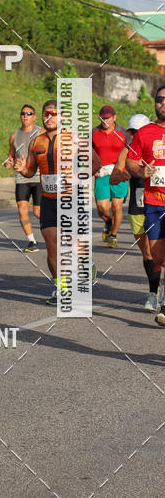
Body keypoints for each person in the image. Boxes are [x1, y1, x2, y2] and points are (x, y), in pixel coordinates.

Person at [15, 98, 101, 304]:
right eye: (46, 114)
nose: (49, 117)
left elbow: (96, 163)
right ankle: (62, 288)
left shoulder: (75, 139)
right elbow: (30, 171)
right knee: (52, 245)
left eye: (53, 113)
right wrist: (22, 169)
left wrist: (78, 177)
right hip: (48, 199)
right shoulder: (37, 141)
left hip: (71, 199)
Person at [109, 114, 160, 310]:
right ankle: (153, 293)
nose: (134, 135)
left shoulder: (158, 147)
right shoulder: (126, 151)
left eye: (138, 132)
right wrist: (123, 175)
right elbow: (113, 178)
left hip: (158, 202)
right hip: (137, 207)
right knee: (148, 253)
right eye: (132, 132)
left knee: (159, 252)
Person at [125, 86, 165, 326]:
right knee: (157, 254)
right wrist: (141, 171)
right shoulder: (145, 133)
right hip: (153, 202)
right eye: (160, 99)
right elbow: (130, 162)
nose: (163, 103)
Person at [4, 105, 43, 252]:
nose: (25, 116)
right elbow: (11, 155)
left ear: (34, 116)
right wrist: (8, 162)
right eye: (23, 113)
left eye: (29, 113)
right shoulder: (14, 136)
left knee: (38, 212)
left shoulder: (41, 132)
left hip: (39, 176)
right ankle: (32, 241)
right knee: (22, 210)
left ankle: (56, 233)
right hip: (22, 178)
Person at [92, 105, 128, 248]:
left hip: (119, 173)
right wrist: (92, 168)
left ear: (114, 118)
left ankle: (113, 235)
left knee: (117, 206)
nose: (104, 120)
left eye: (107, 118)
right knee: (102, 209)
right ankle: (108, 222)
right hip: (102, 174)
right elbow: (84, 153)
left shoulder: (123, 133)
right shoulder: (94, 132)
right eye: (102, 118)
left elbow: (132, 152)